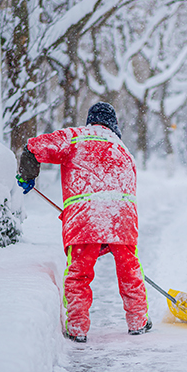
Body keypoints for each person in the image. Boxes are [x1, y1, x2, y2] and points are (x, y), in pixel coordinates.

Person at [16, 102, 151, 343]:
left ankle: (77, 328)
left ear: (91, 120)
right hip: (122, 217)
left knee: (79, 273)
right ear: (114, 125)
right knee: (129, 269)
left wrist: (28, 172)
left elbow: (35, 146)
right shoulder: (123, 150)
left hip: (85, 218)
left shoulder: (75, 137)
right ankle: (138, 321)